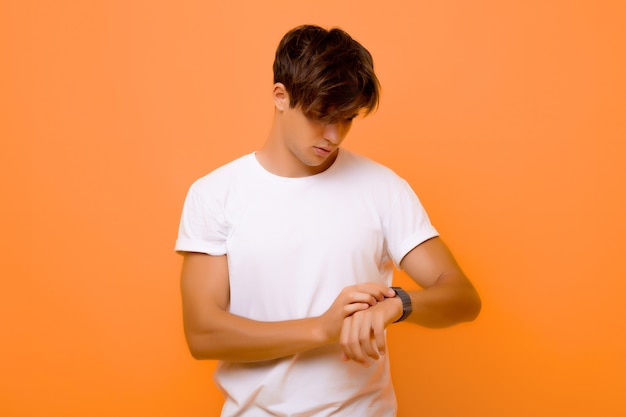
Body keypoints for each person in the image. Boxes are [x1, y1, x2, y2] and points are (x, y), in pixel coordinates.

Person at [175, 24, 481, 417]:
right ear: (281, 96)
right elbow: (202, 333)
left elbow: (462, 298)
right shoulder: (214, 194)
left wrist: (398, 304)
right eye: (322, 116)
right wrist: (322, 328)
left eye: (348, 118)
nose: (334, 134)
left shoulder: (383, 188)